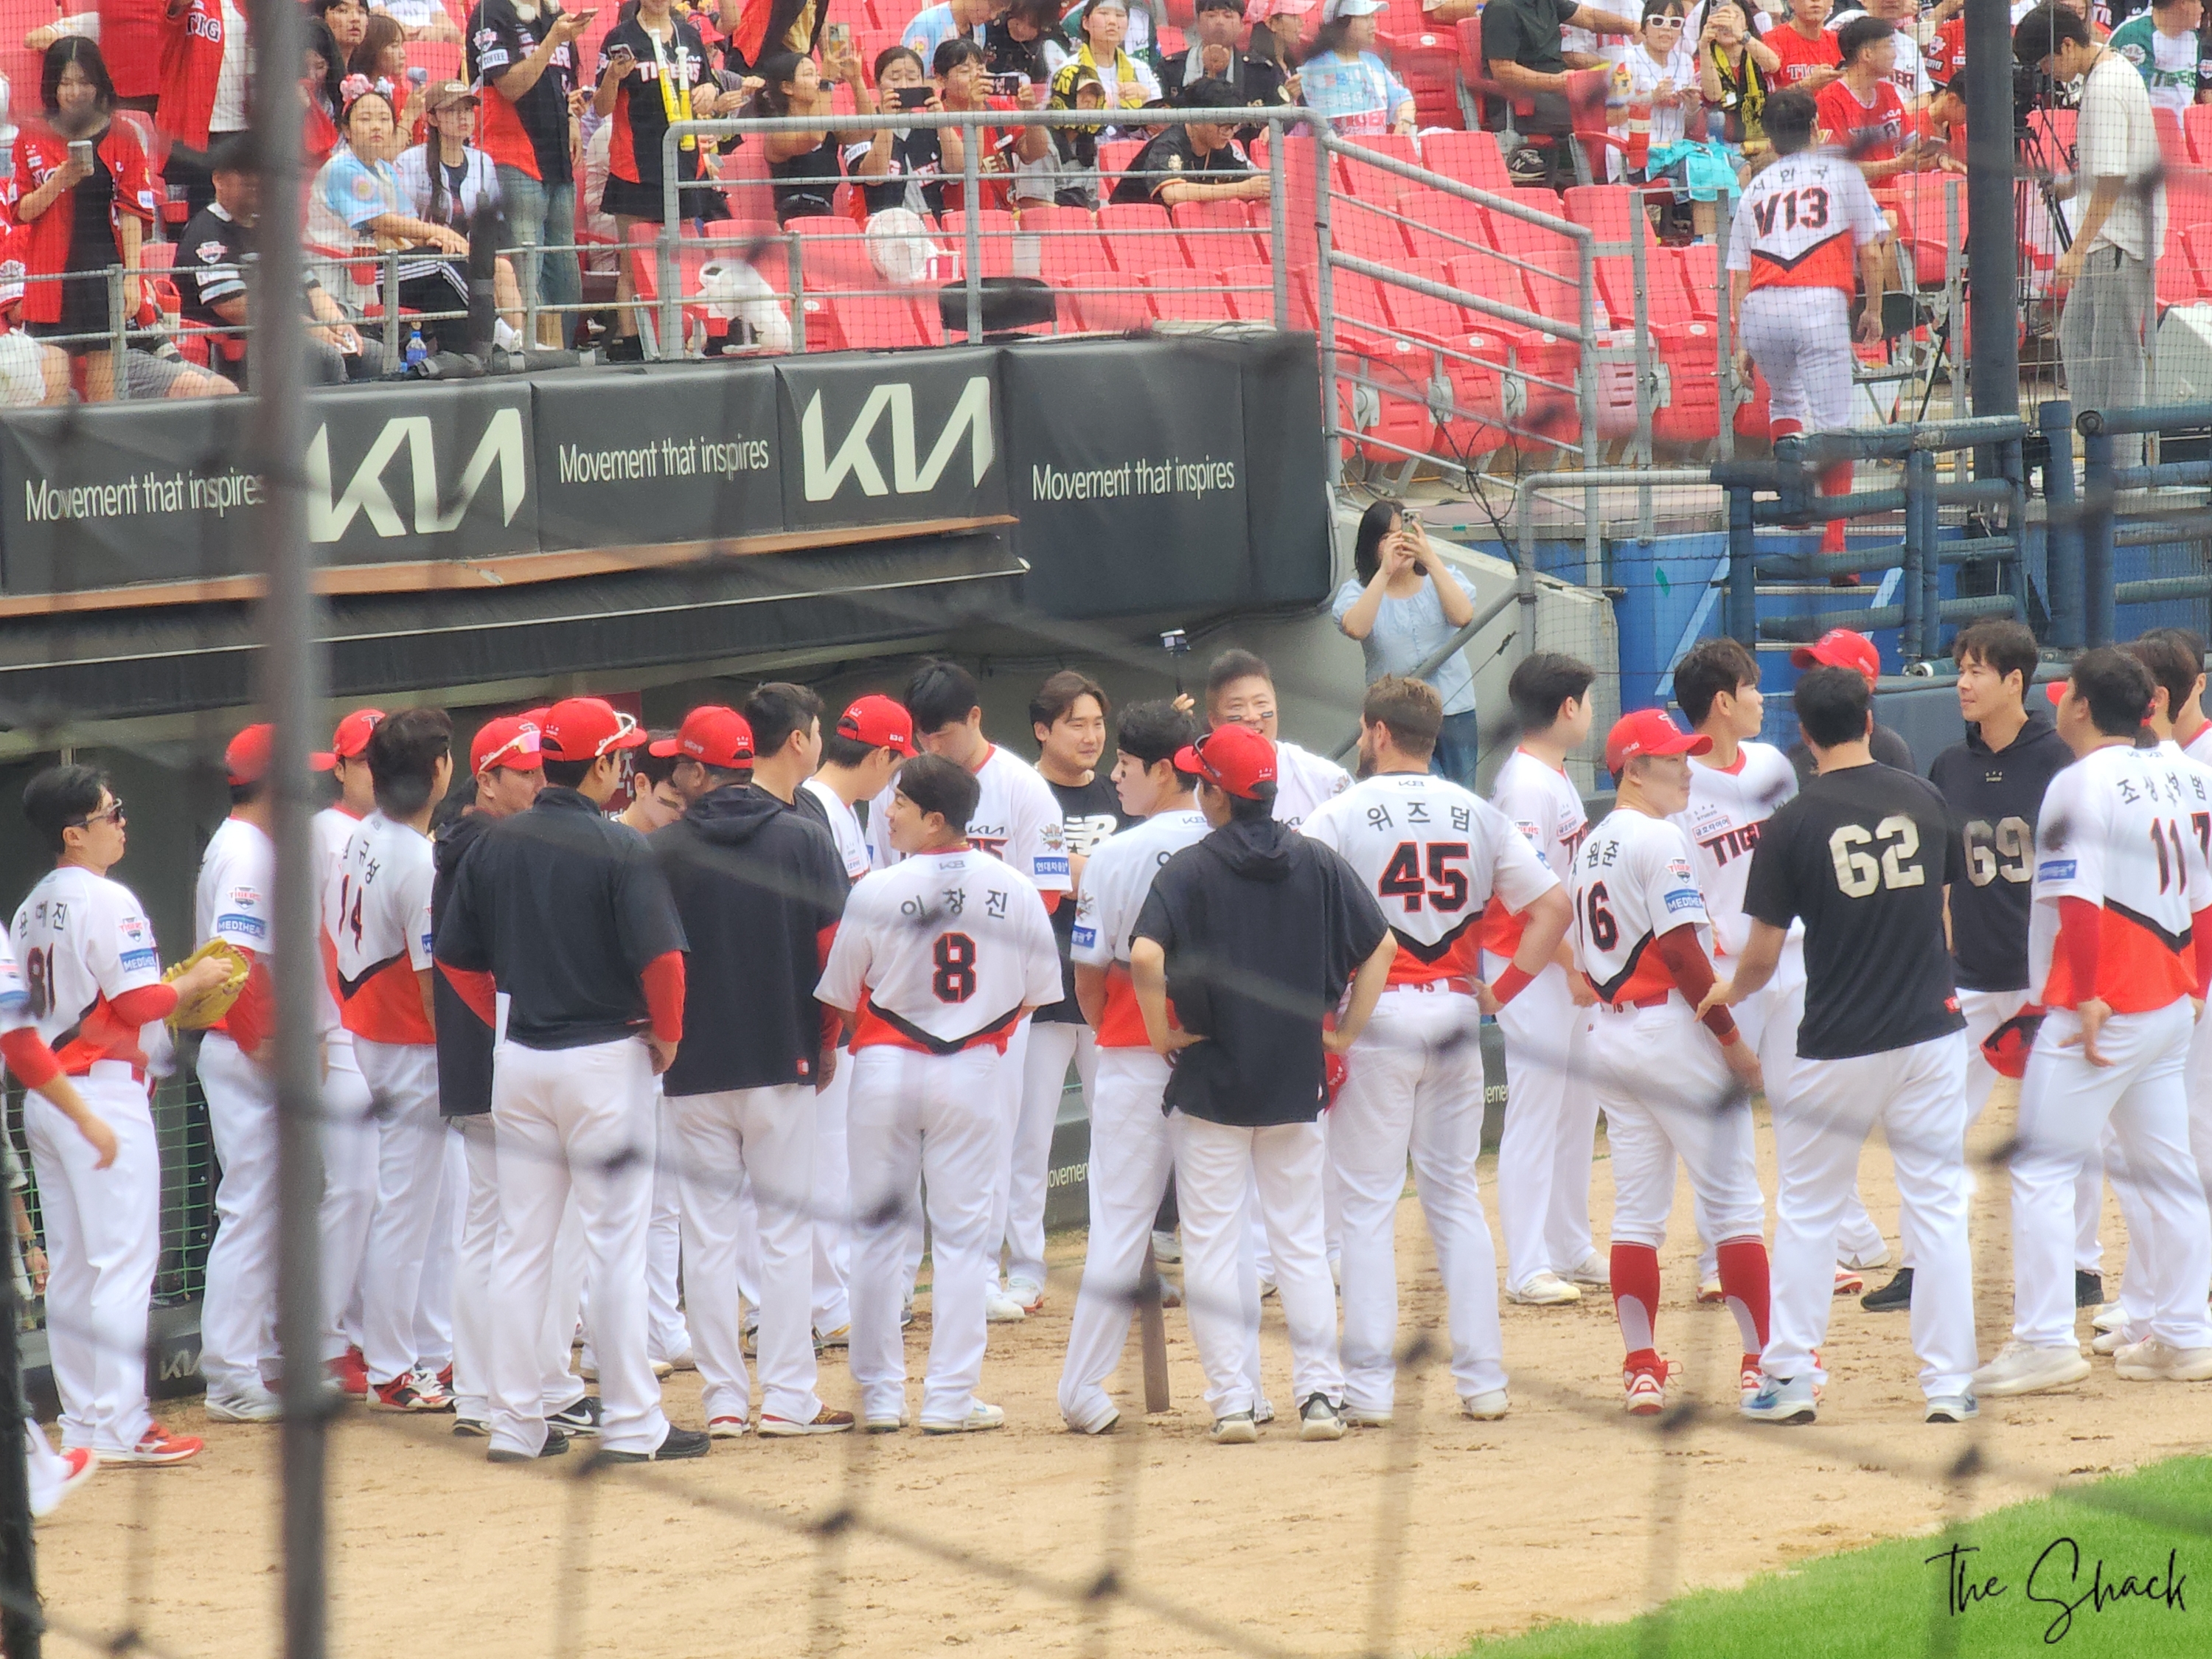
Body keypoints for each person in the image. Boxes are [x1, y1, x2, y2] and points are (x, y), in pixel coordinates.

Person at [435, 696, 709, 1464]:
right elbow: (664, 962)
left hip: (521, 1060)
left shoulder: (493, 844)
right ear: (603, 766)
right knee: (614, 1247)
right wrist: (669, 1037)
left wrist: (506, 1014)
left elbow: (456, 959)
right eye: (621, 755)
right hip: (604, 1062)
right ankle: (633, 1424)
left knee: (522, 1245)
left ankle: (514, 1425)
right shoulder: (620, 845)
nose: (626, 765)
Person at [1704, 667, 1978, 1425]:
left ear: (1803, 733)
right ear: (1869, 719)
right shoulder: (1924, 797)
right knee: (1937, 1208)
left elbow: (1762, 957)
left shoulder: (1792, 821)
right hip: (1930, 1030)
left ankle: (1790, 1378)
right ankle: (1949, 1386)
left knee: (1809, 1209)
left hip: (1838, 1040)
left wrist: (1729, 990)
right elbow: (1945, 917)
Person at [1304, 678, 1571, 1427]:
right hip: (1455, 1009)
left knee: (1367, 1206)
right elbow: (1554, 908)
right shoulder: (1479, 812)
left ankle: (1369, 1392)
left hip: (1374, 1014)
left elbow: (1303, 910)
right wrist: (1502, 991)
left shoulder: (1338, 811)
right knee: (1454, 1196)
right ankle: (1483, 1384)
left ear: (1378, 732)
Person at [1131, 723, 1394, 1444]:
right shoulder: (1317, 859)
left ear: (1216, 796)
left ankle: (1233, 1404)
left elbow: (1146, 956)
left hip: (1212, 1077)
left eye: (1201, 781)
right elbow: (1381, 946)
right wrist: (1345, 1031)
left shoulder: (1189, 868)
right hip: (1294, 1075)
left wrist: (1159, 1031)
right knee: (1301, 1241)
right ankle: (1320, 1397)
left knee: (1215, 1244)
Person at [1974, 651, 2212, 1396]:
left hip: (2101, 1009)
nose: (2059, 702)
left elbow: (2078, 896)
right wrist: (2198, 986)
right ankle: (2184, 1334)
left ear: (2081, 707)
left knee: (2042, 1170)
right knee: (2168, 1172)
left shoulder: (2079, 783)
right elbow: (2204, 897)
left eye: (2065, 693)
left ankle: (2045, 1340)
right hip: (2169, 1001)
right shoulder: (2186, 773)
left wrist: (2085, 993)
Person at [818, 753, 1062, 1433]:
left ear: (934, 819)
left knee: (877, 1234)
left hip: (884, 1069)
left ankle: (881, 1398)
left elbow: (839, 996)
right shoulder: (1013, 887)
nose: (888, 812)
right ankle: (950, 1399)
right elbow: (1036, 995)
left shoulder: (876, 889)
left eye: (899, 803)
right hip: (973, 1070)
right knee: (962, 1240)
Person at [13, 766, 226, 1465]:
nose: (123, 822)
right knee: (124, 1264)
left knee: (76, 1268)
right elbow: (137, 1003)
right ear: (74, 834)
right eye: (112, 813)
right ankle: (124, 1424)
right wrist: (192, 983)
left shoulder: (31, 906)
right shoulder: (108, 898)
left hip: (49, 1096)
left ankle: (85, 1424)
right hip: (99, 1098)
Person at [654, 696, 855, 1438]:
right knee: (785, 1231)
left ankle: (723, 1402)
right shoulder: (804, 838)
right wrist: (827, 1041)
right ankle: (788, 1398)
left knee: (707, 1239)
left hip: (691, 1068)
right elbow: (834, 957)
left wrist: (664, 1043)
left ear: (695, 771)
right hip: (782, 1058)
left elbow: (652, 962)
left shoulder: (661, 850)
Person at [1670, 636, 1890, 1303]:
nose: (1762, 699)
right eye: (1751, 688)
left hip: (1791, 960)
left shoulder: (1772, 766)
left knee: (1808, 1109)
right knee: (1723, 1116)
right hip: (1723, 972)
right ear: (1722, 701)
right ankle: (1719, 1258)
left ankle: (1817, 1252)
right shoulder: (1679, 781)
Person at [1059, 700, 1251, 1434]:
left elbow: (1087, 979)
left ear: (1165, 770)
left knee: (1118, 1228)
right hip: (1217, 1053)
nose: (1115, 776)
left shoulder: (1113, 855)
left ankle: (1082, 1391)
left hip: (1131, 1054)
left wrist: (1118, 1026)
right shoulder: (1230, 841)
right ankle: (1239, 1394)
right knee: (1220, 1230)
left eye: (1126, 764)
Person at [1572, 708, 1771, 1416]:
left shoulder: (1591, 842)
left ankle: (1641, 1367)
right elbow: (1684, 954)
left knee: (1636, 1213)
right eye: (1673, 759)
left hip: (1611, 1037)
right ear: (1633, 769)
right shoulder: (1658, 836)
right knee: (1735, 1205)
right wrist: (1732, 1041)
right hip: (1673, 1033)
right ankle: (1761, 1365)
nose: (1687, 771)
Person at [1870, 621, 2073, 1315]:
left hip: (2045, 977)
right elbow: (1939, 878)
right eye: (1960, 669)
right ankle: (1922, 1263)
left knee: (2062, 1132)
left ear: (2016, 681)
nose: (1962, 682)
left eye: (1976, 670)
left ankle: (2081, 1268)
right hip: (1970, 977)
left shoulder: (2061, 761)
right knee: (1928, 1127)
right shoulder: (1949, 766)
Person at [868, 659, 1072, 1321]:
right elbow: (874, 882)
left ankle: (988, 1275)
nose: (931, 746)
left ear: (976, 718)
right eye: (922, 735)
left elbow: (1046, 894)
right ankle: (899, 1287)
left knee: (1001, 1140)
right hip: (910, 998)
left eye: (944, 733)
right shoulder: (896, 791)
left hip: (993, 999)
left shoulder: (1022, 788)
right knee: (899, 1158)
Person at [435, 714, 593, 1443]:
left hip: (479, 1057)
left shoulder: (459, 842)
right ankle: (541, 1389)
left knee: (490, 1227)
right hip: (508, 1056)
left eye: (539, 769)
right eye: (523, 772)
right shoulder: (494, 847)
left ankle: (480, 1392)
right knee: (543, 1231)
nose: (536, 781)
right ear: (487, 779)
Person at [328, 709, 458, 1413]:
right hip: (411, 1046)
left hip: (371, 1033)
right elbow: (433, 983)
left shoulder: (361, 835)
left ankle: (434, 1350)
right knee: (407, 1211)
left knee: (435, 1205)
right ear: (438, 770)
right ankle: (392, 1367)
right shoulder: (417, 860)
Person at [191, 724, 308, 1424]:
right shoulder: (246, 850)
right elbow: (234, 963)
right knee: (251, 1209)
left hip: (241, 1047)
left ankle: (255, 1359)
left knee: (265, 1208)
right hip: (243, 1049)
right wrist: (267, 1044)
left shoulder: (246, 842)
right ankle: (231, 1376)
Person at [793, 695, 917, 1346]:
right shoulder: (817, 812)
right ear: (880, 756)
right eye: (895, 764)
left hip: (835, 1014)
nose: (893, 781)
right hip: (824, 1015)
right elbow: (833, 935)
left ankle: (823, 1302)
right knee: (824, 1166)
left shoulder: (836, 810)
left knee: (830, 1163)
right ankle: (825, 1305)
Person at [1485, 652, 1603, 1306]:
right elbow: (1525, 898)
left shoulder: (1551, 774)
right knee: (1536, 1113)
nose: (1590, 713)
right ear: (1568, 707)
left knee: (1576, 1110)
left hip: (1563, 965)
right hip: (1530, 966)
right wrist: (1570, 963)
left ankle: (1569, 1245)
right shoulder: (1527, 784)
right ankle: (1527, 1265)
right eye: (1587, 701)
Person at [1727, 91, 1885, 567]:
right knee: (1836, 426)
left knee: (1785, 401)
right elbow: (1871, 251)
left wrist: (1742, 338)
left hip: (1762, 308)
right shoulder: (1841, 172)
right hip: (1818, 303)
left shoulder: (1754, 186)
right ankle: (1834, 540)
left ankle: (1794, 509)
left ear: (1770, 138)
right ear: (1816, 127)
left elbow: (1738, 274)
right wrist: (1874, 310)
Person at [1013, 672, 1127, 1317]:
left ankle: (1117, 1266)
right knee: (1029, 1140)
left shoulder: (1117, 792)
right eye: (1075, 724)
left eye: (1097, 724)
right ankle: (1026, 1273)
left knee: (1118, 1136)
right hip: (1042, 987)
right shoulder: (1024, 794)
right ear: (1042, 730)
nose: (1090, 736)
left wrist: (1092, 873)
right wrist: (1105, 871)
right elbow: (1045, 877)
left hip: (1111, 986)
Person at [2018, 4, 2163, 468]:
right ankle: (2096, 444)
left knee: (2117, 354)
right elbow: (2108, 165)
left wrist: (2076, 250)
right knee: (2077, 335)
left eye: (2046, 63)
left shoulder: (2105, 86)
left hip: (2118, 240)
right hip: (2110, 235)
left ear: (2065, 46)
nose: (2047, 75)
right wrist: (2068, 186)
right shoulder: (2109, 72)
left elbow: (2113, 179)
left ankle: (2121, 469)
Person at [9, 41, 152, 404]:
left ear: (99, 83)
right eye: (66, 82)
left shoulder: (123, 134)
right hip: (50, 279)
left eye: (84, 82)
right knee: (51, 390)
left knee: (107, 399)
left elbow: (133, 212)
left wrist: (132, 279)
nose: (74, 92)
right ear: (52, 86)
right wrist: (60, 180)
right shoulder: (31, 135)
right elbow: (21, 210)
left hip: (104, 275)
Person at [594, 0, 728, 354]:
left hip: (684, 164)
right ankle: (632, 345)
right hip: (635, 166)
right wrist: (613, 76)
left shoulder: (690, 37)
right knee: (632, 266)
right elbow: (601, 107)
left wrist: (710, 92)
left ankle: (684, 341)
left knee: (682, 263)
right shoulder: (620, 38)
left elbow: (710, 90)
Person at [174, 135, 363, 386]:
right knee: (325, 357)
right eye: (245, 173)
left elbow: (312, 288)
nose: (256, 180)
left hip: (298, 328)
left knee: (370, 354)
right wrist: (311, 328)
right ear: (218, 179)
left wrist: (338, 325)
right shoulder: (206, 232)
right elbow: (236, 308)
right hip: (252, 342)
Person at [1334, 501, 1481, 790]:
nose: (1398, 543)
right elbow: (1356, 628)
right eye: (1387, 537)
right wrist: (1385, 573)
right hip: (1397, 718)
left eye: (1403, 533)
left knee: (1460, 791)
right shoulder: (1358, 592)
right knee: (1414, 789)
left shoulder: (1441, 578)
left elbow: (1463, 615)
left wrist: (1429, 559)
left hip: (1454, 710)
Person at [307, 81, 475, 329]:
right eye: (366, 119)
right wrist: (442, 233)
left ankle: (468, 349)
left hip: (381, 265)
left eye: (384, 119)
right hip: (346, 273)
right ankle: (497, 333)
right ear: (347, 130)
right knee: (443, 263)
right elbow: (383, 222)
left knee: (443, 292)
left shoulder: (385, 170)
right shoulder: (342, 167)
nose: (376, 126)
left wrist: (435, 240)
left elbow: (409, 224)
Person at [468, 0, 587, 349]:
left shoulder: (554, 13)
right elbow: (509, 86)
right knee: (526, 265)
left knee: (565, 268)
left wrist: (573, 118)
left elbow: (565, 84)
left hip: (559, 159)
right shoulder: (491, 13)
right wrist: (551, 41)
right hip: (513, 155)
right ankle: (528, 353)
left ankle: (563, 354)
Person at [393, 82, 529, 342]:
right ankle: (503, 338)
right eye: (452, 111)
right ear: (432, 118)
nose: (463, 117)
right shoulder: (409, 161)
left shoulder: (483, 162)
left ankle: (519, 343)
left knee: (503, 267)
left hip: (468, 253)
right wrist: (434, 239)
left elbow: (494, 222)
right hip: (422, 255)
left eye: (467, 110)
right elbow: (402, 222)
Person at [1475, 0, 1639, 184]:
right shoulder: (1501, 9)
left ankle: (1628, 175)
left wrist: (1636, 27)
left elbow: (1590, 18)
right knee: (1605, 111)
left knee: (1626, 99)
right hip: (1521, 101)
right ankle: (1605, 182)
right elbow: (1503, 72)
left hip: (1558, 89)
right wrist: (1558, 83)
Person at [1202, 649, 1349, 830]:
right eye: (1237, 707)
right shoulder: (1201, 788)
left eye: (1260, 703)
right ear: (1214, 721)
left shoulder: (1326, 779)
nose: (1252, 716)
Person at [156, 0, 251, 221]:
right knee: (196, 220)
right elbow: (173, 10)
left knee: (240, 218)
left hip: (241, 131)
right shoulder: (196, 5)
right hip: (192, 135)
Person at [1782, 630, 1914, 781]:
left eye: (1832, 674)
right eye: (1814, 672)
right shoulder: (1797, 755)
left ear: (1866, 685)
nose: (1819, 682)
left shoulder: (1889, 751)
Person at [753, 46, 860, 225]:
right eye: (809, 75)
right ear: (787, 87)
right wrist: (826, 82)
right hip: (793, 220)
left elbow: (866, 131)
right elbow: (815, 136)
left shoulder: (828, 127)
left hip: (826, 219)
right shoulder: (777, 133)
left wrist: (857, 80)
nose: (817, 80)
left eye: (818, 74)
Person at [848, 46, 950, 219]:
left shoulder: (930, 126)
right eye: (895, 79)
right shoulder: (862, 127)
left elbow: (961, 168)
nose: (904, 85)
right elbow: (873, 177)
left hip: (933, 224)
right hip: (882, 225)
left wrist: (942, 123)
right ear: (877, 83)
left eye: (912, 78)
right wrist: (887, 121)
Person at [1295, 0, 1414, 135]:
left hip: (1377, 147)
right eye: (1365, 18)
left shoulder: (1373, 63)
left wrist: (1404, 121)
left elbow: (1403, 100)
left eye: (1372, 17)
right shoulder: (1317, 68)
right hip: (1335, 147)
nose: (1373, 25)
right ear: (1342, 24)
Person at [1161, 0, 1290, 118]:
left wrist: (1269, 129)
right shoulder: (1171, 68)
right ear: (1198, 22)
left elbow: (1285, 118)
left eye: (1228, 16)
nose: (1220, 22)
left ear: (1241, 25)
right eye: (1212, 15)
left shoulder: (1261, 71)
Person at [1699, 0, 1779, 161]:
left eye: (1734, 17)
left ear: (1747, 22)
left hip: (1767, 144)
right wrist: (1704, 47)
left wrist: (1741, 35)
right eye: (1720, 17)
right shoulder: (1702, 59)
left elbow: (1773, 65)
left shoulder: (1760, 48)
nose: (1726, 24)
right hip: (1722, 147)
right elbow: (1714, 95)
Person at [2110, 0, 2208, 112]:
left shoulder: (2193, 39)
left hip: (2180, 122)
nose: (2202, 10)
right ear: (2183, 3)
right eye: (2199, 2)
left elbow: (2189, 97)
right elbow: (2127, 97)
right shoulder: (2132, 34)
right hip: (2141, 119)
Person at [1764, 0, 1843, 88]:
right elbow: (1768, 95)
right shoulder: (1771, 40)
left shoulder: (1840, 42)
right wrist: (1807, 84)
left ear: (1832, 2)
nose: (1815, 1)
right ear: (1792, 2)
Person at [905, 0, 1012, 63]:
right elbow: (912, 78)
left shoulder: (980, 30)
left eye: (998, 12)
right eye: (991, 8)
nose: (992, 16)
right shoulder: (925, 24)